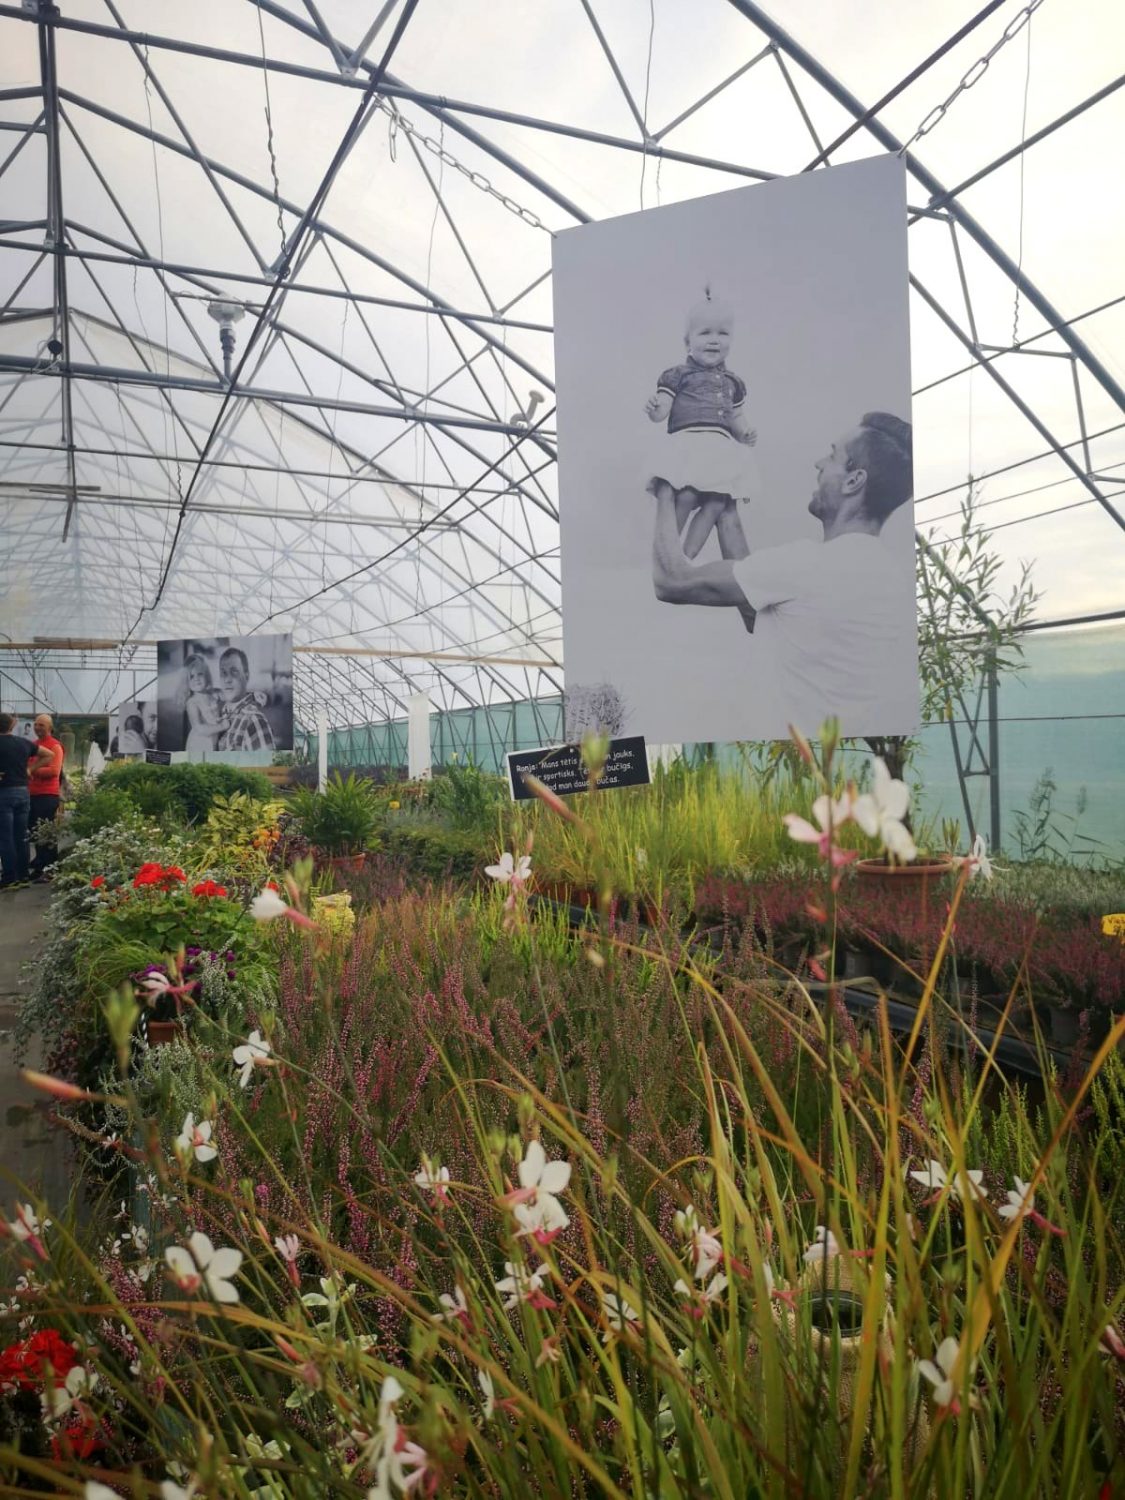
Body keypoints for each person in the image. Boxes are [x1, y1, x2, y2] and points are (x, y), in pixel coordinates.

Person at [649, 411, 914, 734]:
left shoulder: (806, 564)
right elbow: (764, 614)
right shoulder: (889, 577)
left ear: (853, 481)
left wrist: (665, 485)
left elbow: (671, 581)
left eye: (832, 456)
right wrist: (727, 511)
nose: (818, 464)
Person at [645, 288, 760, 632]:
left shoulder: (734, 382)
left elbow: (736, 418)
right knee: (687, 495)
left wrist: (745, 432)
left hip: (719, 447)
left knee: (716, 503)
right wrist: (654, 409)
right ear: (688, 341)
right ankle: (674, 556)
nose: (714, 340)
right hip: (689, 442)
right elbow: (663, 410)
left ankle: (687, 560)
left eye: (723, 333)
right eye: (705, 333)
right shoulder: (677, 375)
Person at [0, 713, 52, 891]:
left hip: (4, 793)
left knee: (5, 837)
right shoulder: (23, 743)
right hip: (23, 793)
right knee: (22, 836)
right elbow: (49, 755)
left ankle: (9, 878)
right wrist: (30, 769)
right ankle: (22, 876)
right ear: (12, 725)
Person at [27, 712, 64, 879]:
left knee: (46, 834)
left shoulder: (55, 746)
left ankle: (50, 869)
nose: (37, 727)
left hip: (47, 795)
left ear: (50, 727)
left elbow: (54, 771)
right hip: (32, 794)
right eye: (36, 724)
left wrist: (31, 771)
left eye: (41, 725)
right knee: (36, 832)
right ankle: (40, 865)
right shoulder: (34, 745)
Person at [217, 648, 275, 752]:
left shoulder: (254, 720)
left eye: (234, 672)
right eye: (223, 673)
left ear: (246, 676)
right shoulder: (221, 713)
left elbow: (267, 762)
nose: (227, 679)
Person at [183, 654, 226, 752]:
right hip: (198, 744)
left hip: (213, 741)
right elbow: (199, 728)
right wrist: (222, 726)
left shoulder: (214, 693)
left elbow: (231, 694)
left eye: (200, 674)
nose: (196, 679)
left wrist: (253, 694)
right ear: (186, 682)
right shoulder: (192, 702)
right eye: (192, 676)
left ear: (207, 675)